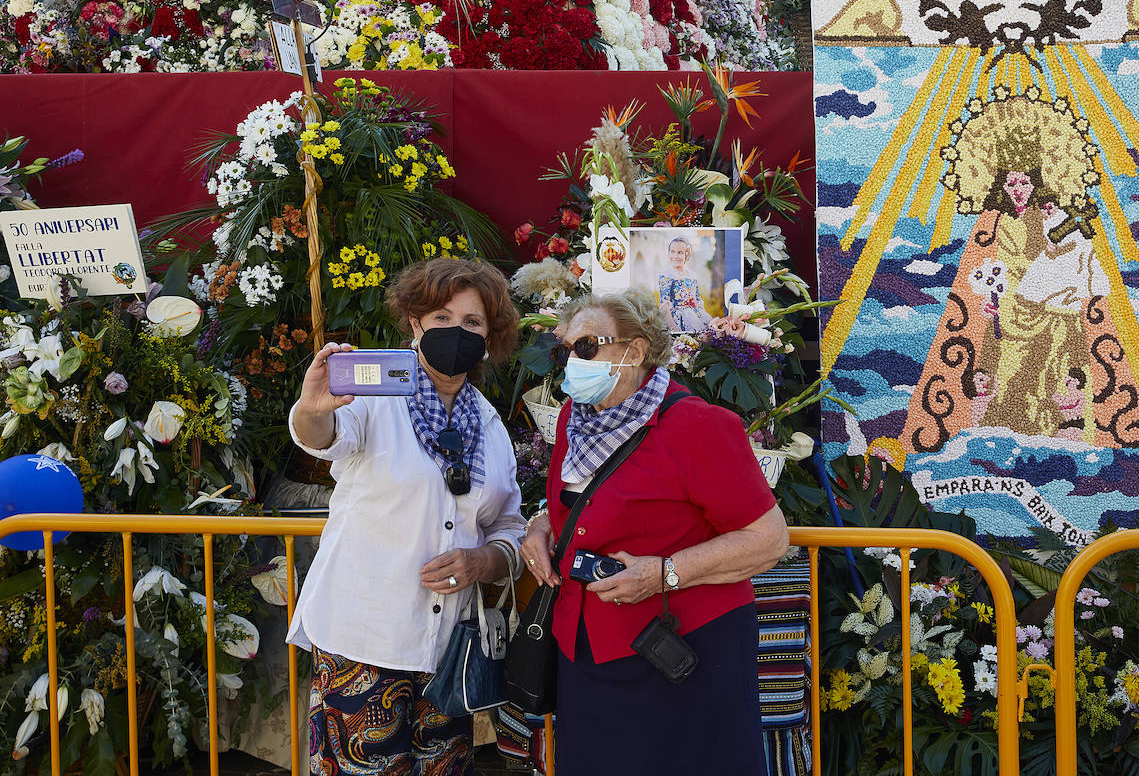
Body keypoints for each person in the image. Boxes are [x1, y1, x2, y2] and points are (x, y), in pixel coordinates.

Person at [521, 289, 789, 776]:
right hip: (586, 650)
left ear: (635, 351)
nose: (570, 363)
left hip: (681, 653)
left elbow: (768, 538)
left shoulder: (697, 425)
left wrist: (665, 573)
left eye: (586, 348)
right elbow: (581, 502)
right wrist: (541, 527)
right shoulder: (572, 420)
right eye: (565, 351)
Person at [287, 258, 525, 776]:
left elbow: (509, 524)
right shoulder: (372, 398)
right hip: (362, 638)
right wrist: (313, 405)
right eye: (441, 317)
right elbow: (322, 436)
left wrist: (484, 560)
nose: (456, 332)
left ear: (489, 337)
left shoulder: (490, 426)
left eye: (472, 323)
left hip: (446, 651)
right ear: (415, 322)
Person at [657, 236, 713, 332]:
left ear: (686, 255)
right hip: (677, 319)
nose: (675, 256)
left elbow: (698, 300)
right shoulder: (667, 276)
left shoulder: (692, 276)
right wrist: (673, 326)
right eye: (672, 251)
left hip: (694, 315)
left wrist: (704, 318)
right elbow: (664, 305)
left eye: (680, 252)